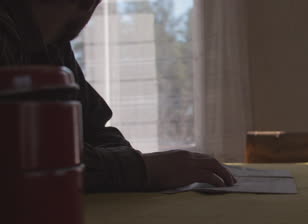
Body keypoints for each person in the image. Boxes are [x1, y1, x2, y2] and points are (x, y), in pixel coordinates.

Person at [0, 0, 236, 192]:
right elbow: (16, 160)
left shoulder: (52, 44)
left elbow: (94, 129)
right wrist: (142, 170)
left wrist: (140, 166)